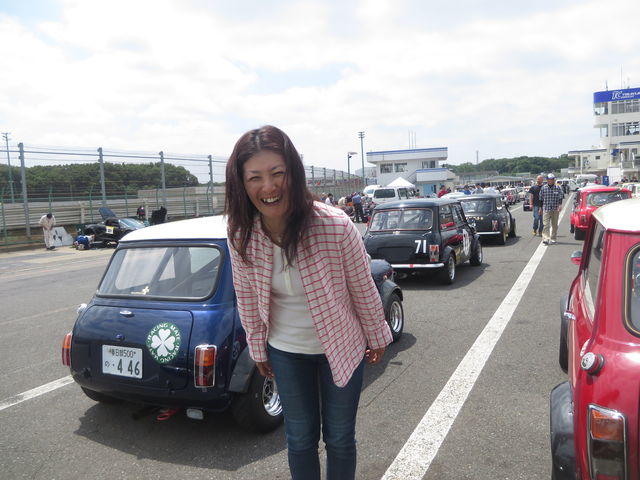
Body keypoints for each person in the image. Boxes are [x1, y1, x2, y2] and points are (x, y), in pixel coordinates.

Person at [224, 126, 393, 480]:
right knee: (300, 440)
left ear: (294, 173)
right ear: (241, 184)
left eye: (277, 173)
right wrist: (257, 347)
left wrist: (377, 334)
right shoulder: (241, 233)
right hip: (286, 351)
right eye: (255, 177)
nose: (268, 187)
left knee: (340, 438)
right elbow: (246, 296)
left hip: (342, 346)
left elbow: (362, 285)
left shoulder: (334, 225)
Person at [540, 173, 564, 245]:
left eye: (552, 179)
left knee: (554, 225)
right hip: (546, 208)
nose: (550, 181)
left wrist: (560, 205)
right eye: (549, 179)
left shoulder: (558, 187)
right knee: (546, 224)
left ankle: (553, 238)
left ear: (554, 180)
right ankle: (546, 238)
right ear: (547, 180)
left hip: (555, 208)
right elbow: (540, 198)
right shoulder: (543, 188)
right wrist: (540, 208)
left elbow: (560, 196)